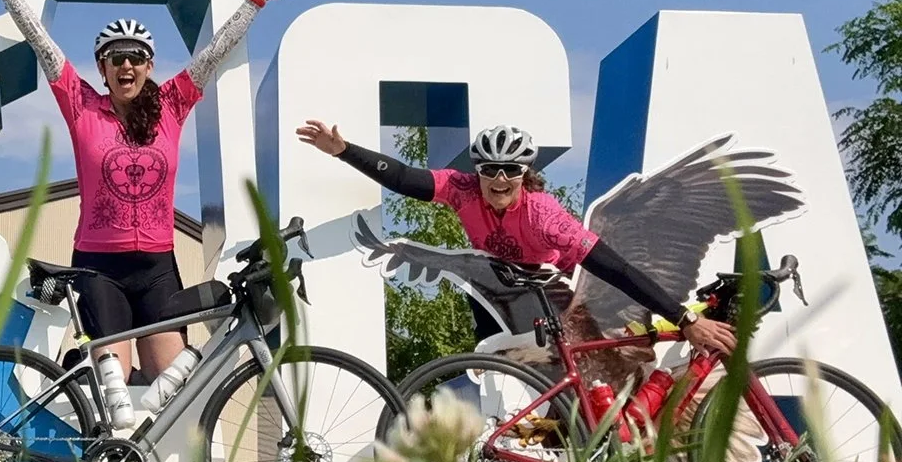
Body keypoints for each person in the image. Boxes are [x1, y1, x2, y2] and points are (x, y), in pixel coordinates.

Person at [0, 0, 308, 380]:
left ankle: (94, 386)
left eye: (136, 58)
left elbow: (215, 49)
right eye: (115, 58)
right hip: (97, 265)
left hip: (157, 268)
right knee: (114, 394)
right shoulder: (81, 105)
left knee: (176, 385)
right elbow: (41, 42)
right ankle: (90, 393)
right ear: (102, 68)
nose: (126, 65)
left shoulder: (172, 104)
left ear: (149, 66)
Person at [294, 120, 738, 355]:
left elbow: (614, 267)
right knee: (493, 356)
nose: (499, 179)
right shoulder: (462, 189)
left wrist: (684, 319)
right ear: (479, 172)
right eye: (490, 170)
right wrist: (343, 150)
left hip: (547, 287)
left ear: (525, 175)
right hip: (498, 283)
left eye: (511, 171)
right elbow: (406, 179)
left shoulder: (545, 215)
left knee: (559, 360)